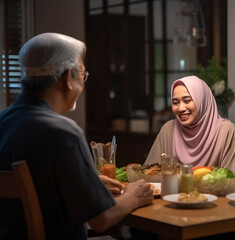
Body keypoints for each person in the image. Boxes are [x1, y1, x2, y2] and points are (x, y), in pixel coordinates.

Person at [0, 32, 153, 240]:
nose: (83, 83)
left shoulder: (4, 120)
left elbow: (39, 184)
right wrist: (135, 197)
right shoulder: (62, 131)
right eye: (83, 75)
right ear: (67, 78)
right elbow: (101, 219)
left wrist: (86, 181)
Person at [145, 75, 235, 184]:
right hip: (171, 199)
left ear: (202, 100)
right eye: (175, 102)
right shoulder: (168, 129)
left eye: (187, 100)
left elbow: (230, 183)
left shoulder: (226, 131)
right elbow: (149, 177)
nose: (180, 108)